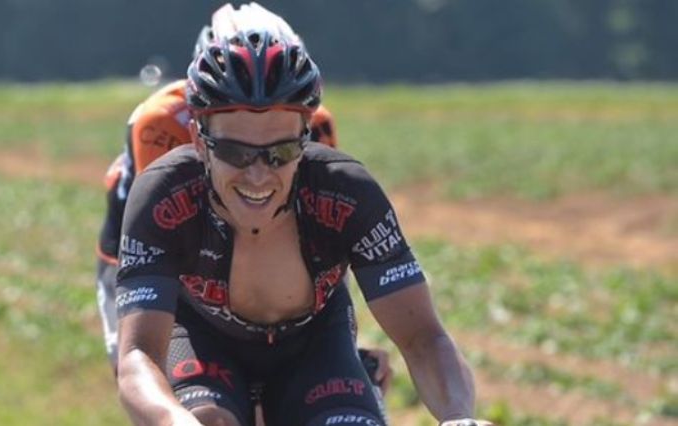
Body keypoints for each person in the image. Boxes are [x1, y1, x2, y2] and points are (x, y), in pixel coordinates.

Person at [115, 3, 488, 426]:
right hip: (202, 341)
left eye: (281, 153)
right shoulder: (164, 196)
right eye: (235, 152)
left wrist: (458, 417)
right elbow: (138, 355)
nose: (258, 175)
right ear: (200, 142)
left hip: (314, 345)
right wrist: (172, 420)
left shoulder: (346, 193)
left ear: (306, 139)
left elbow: (423, 337)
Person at [93, 10, 394, 412]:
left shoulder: (316, 124)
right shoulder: (160, 123)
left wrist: (340, 346)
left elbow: (319, 245)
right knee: (147, 378)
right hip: (146, 250)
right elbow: (164, 240)